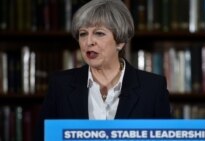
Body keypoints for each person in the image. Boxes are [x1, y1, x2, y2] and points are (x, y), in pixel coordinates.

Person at [34, 0, 171, 140]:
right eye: (83, 34)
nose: (89, 42)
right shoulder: (60, 85)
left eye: (99, 33)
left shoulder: (153, 88)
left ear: (120, 41)